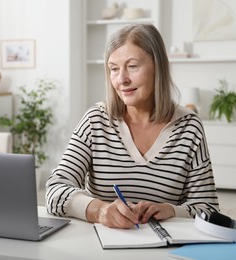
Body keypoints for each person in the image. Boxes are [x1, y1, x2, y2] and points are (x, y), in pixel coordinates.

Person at [45, 24, 219, 229]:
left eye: (133, 66)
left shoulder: (189, 127)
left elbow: (209, 208)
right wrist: (99, 210)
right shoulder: (95, 120)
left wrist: (172, 210)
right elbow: (55, 190)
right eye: (114, 69)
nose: (121, 80)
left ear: (158, 67)